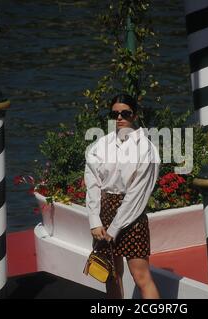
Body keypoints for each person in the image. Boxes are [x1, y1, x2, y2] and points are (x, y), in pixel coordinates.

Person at [84, 93, 161, 299]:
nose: (119, 118)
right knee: (111, 274)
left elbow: (138, 193)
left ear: (134, 115)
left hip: (132, 217)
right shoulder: (101, 145)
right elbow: (92, 184)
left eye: (125, 113)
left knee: (141, 276)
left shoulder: (146, 148)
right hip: (104, 212)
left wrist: (115, 228)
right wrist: (94, 220)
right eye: (114, 113)